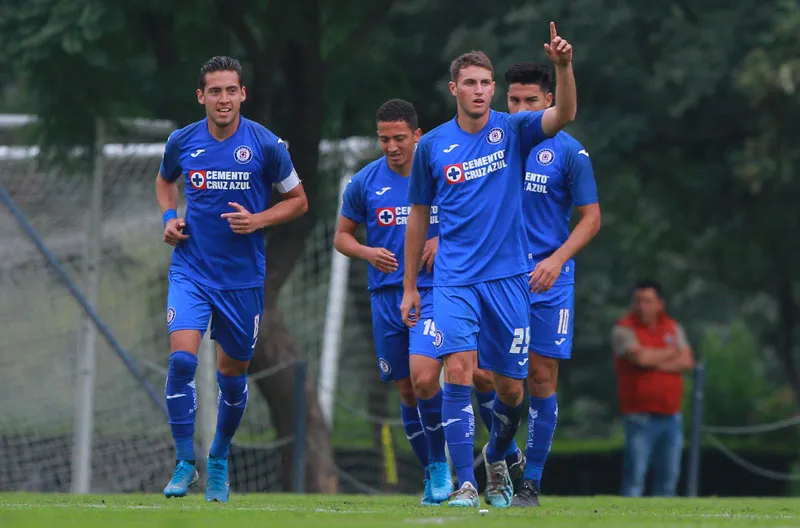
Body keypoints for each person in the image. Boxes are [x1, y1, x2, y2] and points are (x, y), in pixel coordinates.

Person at [402, 22, 577, 508]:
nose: (479, 91)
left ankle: (498, 455)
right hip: (455, 278)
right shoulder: (433, 146)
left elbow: (564, 112)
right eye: (470, 83)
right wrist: (411, 285)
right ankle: (464, 483)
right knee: (457, 370)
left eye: (486, 83)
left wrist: (563, 66)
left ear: (492, 89)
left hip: (508, 280)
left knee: (512, 392)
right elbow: (418, 216)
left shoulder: (514, 129)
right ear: (454, 88)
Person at [156, 56, 308, 502]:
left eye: (231, 91)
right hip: (191, 270)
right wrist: (169, 217)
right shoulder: (182, 141)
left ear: (243, 94)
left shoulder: (265, 145)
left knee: (232, 375)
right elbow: (165, 182)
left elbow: (298, 201)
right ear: (201, 96)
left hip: (241, 281)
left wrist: (259, 219)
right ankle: (186, 461)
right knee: (182, 361)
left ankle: (219, 456)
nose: (224, 99)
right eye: (215, 92)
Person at [334, 99, 453, 505]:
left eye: (399, 138)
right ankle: (434, 472)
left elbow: (474, 219)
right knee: (406, 391)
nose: (391, 146)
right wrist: (367, 252)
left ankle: (440, 464)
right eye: (384, 139)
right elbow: (342, 237)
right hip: (386, 296)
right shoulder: (365, 182)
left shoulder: (439, 174)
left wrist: (442, 239)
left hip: (434, 292)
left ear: (417, 136)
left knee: (424, 378)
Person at [501, 62, 601, 507]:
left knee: (541, 377)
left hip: (548, 280)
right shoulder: (494, 144)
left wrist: (557, 260)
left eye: (530, 101)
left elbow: (591, 218)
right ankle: (504, 452)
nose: (521, 108)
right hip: (495, 274)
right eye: (513, 100)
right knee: (490, 377)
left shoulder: (570, 153)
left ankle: (531, 483)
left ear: (548, 102)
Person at [611, 280, 695, 497]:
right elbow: (640, 357)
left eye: (647, 301)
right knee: (635, 479)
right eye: (638, 301)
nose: (642, 306)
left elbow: (686, 361)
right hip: (639, 417)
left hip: (671, 416)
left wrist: (652, 358)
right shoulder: (623, 329)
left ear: (660, 303)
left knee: (669, 479)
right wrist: (670, 352)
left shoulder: (673, 327)